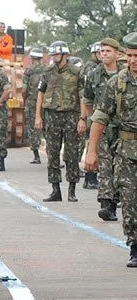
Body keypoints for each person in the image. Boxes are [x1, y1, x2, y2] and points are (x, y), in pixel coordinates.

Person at [87, 32, 137, 266]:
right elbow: (100, 117)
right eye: (130, 56)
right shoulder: (116, 83)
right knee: (128, 200)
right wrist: (92, 150)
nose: (133, 60)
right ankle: (135, 246)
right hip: (126, 151)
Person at [84, 38, 125, 222]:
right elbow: (88, 100)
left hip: (122, 129)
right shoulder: (93, 75)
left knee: (119, 167)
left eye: (108, 51)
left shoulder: (125, 76)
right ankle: (106, 205)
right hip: (101, 127)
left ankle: (115, 201)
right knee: (105, 166)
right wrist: (87, 121)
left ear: (117, 54)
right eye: (102, 51)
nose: (104, 54)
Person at [36, 41, 82, 202]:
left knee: (71, 154)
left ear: (64, 54)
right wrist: (38, 116)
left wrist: (82, 119)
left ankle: (72, 189)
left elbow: (83, 96)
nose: (54, 57)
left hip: (71, 116)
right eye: (52, 54)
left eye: (56, 54)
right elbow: (40, 94)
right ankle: (55, 189)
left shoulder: (76, 72)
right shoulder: (47, 71)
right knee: (52, 153)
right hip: (52, 116)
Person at [81, 43, 102, 190]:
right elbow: (86, 94)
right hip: (93, 112)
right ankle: (90, 176)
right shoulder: (91, 68)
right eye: (99, 52)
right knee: (93, 144)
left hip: (100, 112)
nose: (102, 55)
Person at [24, 46, 46, 164]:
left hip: (32, 102)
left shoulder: (29, 70)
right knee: (49, 129)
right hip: (46, 102)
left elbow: (24, 88)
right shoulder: (47, 69)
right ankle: (54, 157)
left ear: (32, 58)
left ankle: (36, 156)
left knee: (33, 128)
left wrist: (24, 100)